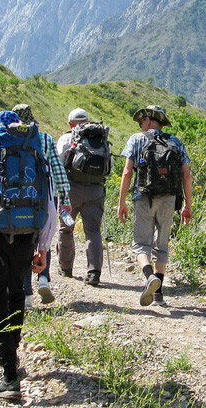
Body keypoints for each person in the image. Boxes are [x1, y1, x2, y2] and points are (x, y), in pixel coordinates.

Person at [0, 110, 57, 400]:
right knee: (17, 293)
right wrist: (42, 246)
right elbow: (50, 203)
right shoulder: (35, 151)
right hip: (25, 235)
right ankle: (14, 355)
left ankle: (8, 375)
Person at [117, 105, 192, 307]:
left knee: (142, 243)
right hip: (169, 198)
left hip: (144, 196)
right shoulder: (175, 141)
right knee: (162, 244)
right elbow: (187, 174)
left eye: (142, 121)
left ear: (149, 120)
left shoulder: (136, 139)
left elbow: (127, 172)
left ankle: (149, 276)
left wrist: (121, 202)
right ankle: (158, 294)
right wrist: (188, 206)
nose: (141, 125)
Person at [11, 103, 71, 306]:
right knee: (43, 238)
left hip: (18, 198)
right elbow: (57, 169)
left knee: (24, 241)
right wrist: (65, 200)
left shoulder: (10, 138)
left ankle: (26, 294)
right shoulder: (44, 137)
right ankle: (43, 278)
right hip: (45, 196)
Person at [56, 107, 110, 285]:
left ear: (71, 123)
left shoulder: (66, 138)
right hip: (95, 191)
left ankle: (66, 268)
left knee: (66, 228)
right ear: (87, 120)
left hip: (70, 192)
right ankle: (94, 271)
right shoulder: (100, 139)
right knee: (93, 231)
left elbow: (57, 164)